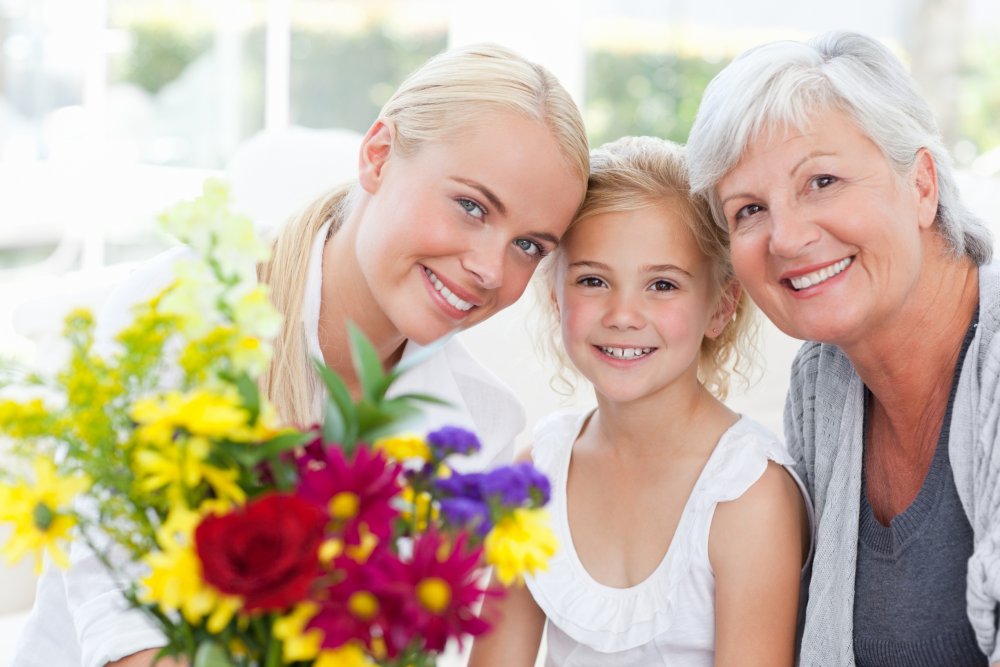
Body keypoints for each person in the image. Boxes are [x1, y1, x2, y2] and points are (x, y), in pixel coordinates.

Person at [12, 43, 589, 667]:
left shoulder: (479, 425)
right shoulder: (183, 313)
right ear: (378, 156)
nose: (488, 269)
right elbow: (122, 627)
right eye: (471, 206)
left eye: (529, 246)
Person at [686, 30, 1000, 667]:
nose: (788, 237)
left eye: (821, 180)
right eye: (748, 210)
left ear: (921, 186)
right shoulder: (824, 383)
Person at [468, 136, 811, 666]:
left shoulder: (747, 493)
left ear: (720, 307)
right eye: (593, 280)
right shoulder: (539, 471)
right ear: (556, 296)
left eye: (663, 285)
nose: (623, 313)